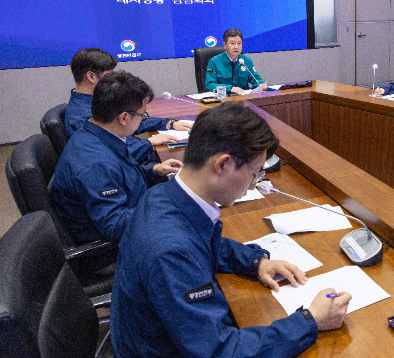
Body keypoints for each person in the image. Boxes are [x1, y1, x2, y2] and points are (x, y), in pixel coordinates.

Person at [111, 101, 352, 357]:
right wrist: (311, 321)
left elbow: (198, 242)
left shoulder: (163, 195)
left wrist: (254, 262)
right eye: (254, 174)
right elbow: (221, 351)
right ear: (222, 165)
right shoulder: (171, 251)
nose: (253, 186)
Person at [53, 71, 183, 271]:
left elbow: (124, 173)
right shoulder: (97, 164)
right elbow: (117, 227)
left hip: (132, 214)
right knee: (198, 239)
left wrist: (154, 169)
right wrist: (165, 204)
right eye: (142, 115)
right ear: (123, 117)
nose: (143, 120)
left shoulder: (97, 133)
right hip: (113, 253)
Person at [66, 48, 191, 163]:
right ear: (91, 76)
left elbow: (132, 120)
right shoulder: (81, 117)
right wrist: (147, 143)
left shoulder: (96, 101)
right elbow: (112, 154)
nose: (113, 80)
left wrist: (168, 123)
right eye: (109, 75)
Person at [206, 28, 266, 94]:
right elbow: (209, 85)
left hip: (244, 100)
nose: (236, 47)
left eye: (239, 43)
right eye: (232, 43)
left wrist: (261, 85)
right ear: (225, 45)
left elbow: (256, 80)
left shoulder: (246, 61)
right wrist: (230, 88)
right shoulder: (214, 62)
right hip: (223, 100)